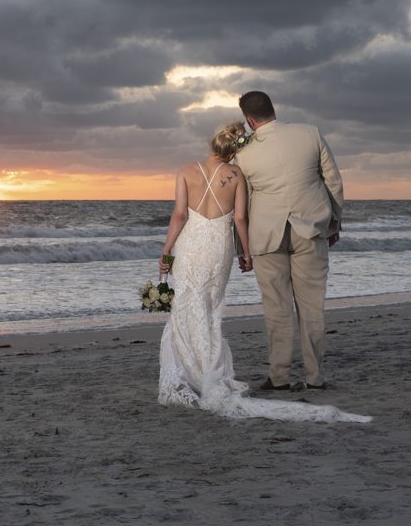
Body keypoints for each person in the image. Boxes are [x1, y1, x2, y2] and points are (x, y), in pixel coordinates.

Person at [156, 121, 368, 423]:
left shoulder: (185, 170)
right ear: (234, 150)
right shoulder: (236, 174)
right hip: (219, 247)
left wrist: (166, 251)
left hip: (189, 247)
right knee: (211, 309)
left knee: (186, 306)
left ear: (211, 143)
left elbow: (179, 214)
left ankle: (187, 377)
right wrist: (246, 253)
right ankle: (209, 374)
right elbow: (240, 218)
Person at [233, 91, 343, 392]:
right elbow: (332, 180)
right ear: (272, 110)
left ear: (250, 120)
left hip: (266, 235)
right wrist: (334, 222)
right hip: (311, 228)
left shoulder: (242, 153)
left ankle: (279, 378)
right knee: (311, 307)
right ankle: (315, 379)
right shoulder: (311, 133)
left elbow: (242, 204)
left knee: (276, 308)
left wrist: (241, 248)